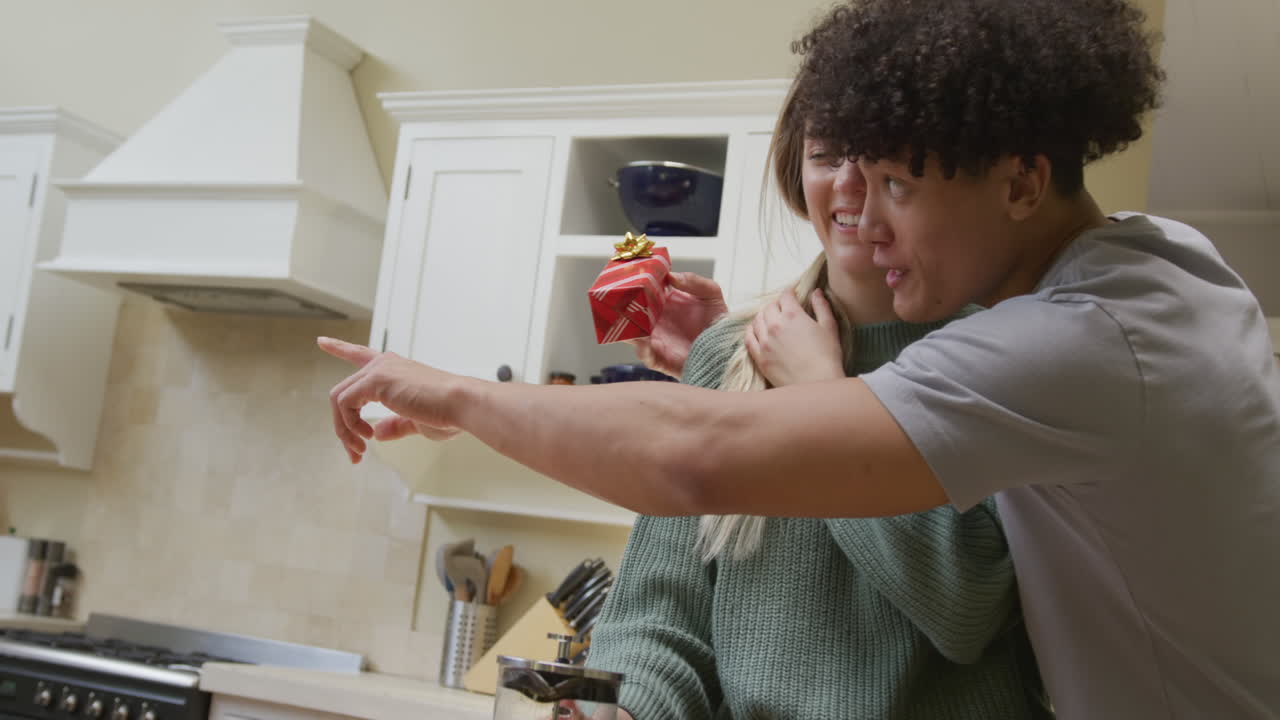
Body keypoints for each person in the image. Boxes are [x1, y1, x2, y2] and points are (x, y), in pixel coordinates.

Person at [319, 0, 1280, 716]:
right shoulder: (1159, 262)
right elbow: (661, 612)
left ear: (1023, 183)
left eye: (897, 180)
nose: (863, 206)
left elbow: (693, 456)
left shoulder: (1059, 343)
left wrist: (459, 397)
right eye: (841, 161)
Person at [578, 78, 1047, 719]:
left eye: (883, 154)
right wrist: (626, 708)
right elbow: (658, 615)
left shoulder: (998, 358)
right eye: (827, 154)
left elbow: (968, 609)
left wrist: (823, 396)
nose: (851, 183)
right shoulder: (730, 356)